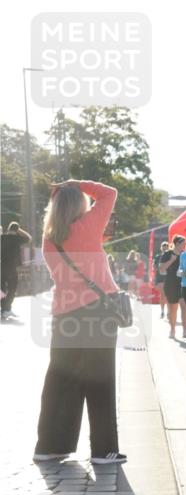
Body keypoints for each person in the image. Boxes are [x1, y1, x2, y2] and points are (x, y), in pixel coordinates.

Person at [33, 180, 127, 465]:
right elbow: (110, 193)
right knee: (100, 379)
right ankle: (103, 449)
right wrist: (73, 184)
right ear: (80, 205)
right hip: (96, 312)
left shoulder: (49, 240)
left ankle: (49, 446)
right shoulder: (87, 228)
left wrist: (60, 191)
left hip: (63, 315)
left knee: (61, 380)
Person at [1, 221, 32, 320]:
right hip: (11, 267)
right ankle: (6, 309)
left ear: (8, 229)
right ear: (16, 230)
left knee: (2, 289)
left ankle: (4, 309)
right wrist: (19, 230)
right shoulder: (17, 238)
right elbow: (29, 238)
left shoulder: (1, 238)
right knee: (12, 288)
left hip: (1, 267)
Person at [158, 235, 186, 339]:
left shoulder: (185, 254)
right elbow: (161, 270)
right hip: (171, 284)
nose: (185, 245)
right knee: (173, 309)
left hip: (184, 284)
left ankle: (185, 330)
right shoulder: (167, 254)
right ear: (177, 243)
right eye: (183, 243)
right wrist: (171, 260)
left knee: (184, 307)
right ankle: (173, 329)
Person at [153, 241, 169, 318]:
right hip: (160, 277)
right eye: (163, 247)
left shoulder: (171, 256)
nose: (164, 248)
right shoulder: (158, 257)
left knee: (169, 295)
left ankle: (169, 311)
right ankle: (162, 311)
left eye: (166, 247)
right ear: (161, 248)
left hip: (169, 277)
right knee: (163, 294)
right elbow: (155, 267)